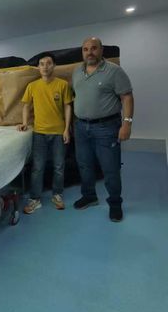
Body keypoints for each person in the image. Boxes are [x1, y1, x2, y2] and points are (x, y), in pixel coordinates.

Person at [72, 37, 134, 222]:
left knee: (110, 168)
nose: (89, 52)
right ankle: (89, 196)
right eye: (85, 49)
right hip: (81, 127)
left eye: (93, 48)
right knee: (84, 165)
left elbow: (127, 97)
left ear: (101, 50)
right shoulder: (77, 72)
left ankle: (115, 204)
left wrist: (127, 124)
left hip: (106, 127)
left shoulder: (114, 71)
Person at [17, 52, 73, 213]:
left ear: (54, 66)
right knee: (37, 167)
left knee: (59, 166)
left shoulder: (62, 85)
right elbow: (26, 106)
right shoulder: (32, 86)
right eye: (42, 64)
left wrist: (66, 129)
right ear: (38, 67)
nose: (45, 67)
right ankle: (35, 199)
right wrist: (24, 123)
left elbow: (68, 106)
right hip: (39, 133)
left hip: (58, 133)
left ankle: (57, 195)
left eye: (48, 63)